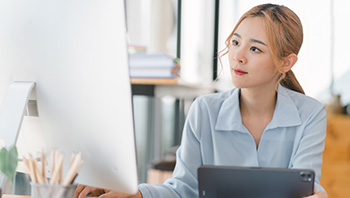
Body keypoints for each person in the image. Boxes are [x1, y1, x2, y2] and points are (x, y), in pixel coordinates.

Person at [75, 3, 327, 198]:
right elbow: (182, 188)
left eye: (255, 49)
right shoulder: (205, 110)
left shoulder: (311, 114)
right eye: (236, 42)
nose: (237, 56)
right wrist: (135, 193)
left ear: (286, 62)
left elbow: (306, 188)